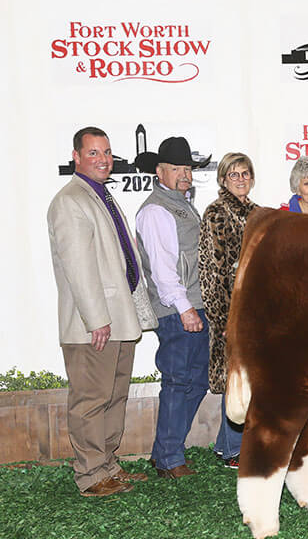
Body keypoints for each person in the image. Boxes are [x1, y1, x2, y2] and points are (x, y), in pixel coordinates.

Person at [47, 126, 154, 496]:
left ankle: (108, 465)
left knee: (114, 396)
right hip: (94, 324)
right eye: (93, 153)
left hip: (117, 319)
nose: (103, 159)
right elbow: (78, 266)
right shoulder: (70, 200)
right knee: (91, 400)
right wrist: (97, 320)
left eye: (106, 152)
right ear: (75, 156)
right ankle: (91, 476)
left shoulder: (100, 196)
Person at [135, 137, 211, 479]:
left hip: (193, 306)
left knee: (195, 381)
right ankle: (169, 458)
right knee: (180, 381)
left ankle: (164, 451)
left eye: (188, 168)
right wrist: (184, 308)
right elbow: (164, 271)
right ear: (159, 171)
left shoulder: (181, 204)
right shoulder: (156, 210)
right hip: (179, 311)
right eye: (177, 169)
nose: (185, 175)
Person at [198, 152, 258, 469]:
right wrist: (223, 318)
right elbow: (210, 271)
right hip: (231, 314)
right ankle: (234, 449)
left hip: (256, 312)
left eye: (245, 173)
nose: (240, 179)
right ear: (223, 179)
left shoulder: (258, 214)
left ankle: (226, 446)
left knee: (245, 378)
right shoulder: (216, 215)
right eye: (233, 175)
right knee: (234, 378)